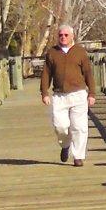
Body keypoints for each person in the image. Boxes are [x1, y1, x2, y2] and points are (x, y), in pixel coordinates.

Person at [39, 24, 96, 165]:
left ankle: (78, 156)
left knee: (79, 126)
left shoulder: (80, 52)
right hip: (59, 95)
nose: (63, 37)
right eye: (60, 35)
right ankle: (65, 145)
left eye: (66, 35)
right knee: (60, 126)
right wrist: (44, 92)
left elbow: (88, 73)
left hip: (78, 94)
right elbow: (46, 73)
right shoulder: (52, 53)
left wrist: (92, 93)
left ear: (72, 36)